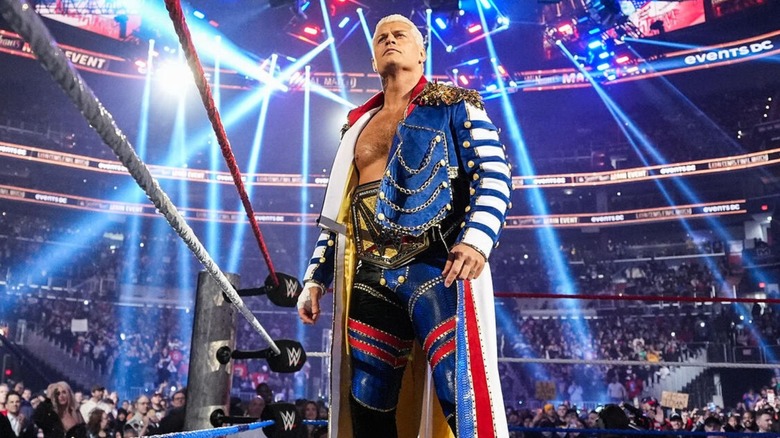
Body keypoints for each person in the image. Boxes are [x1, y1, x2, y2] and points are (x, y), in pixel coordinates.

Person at [297, 12, 511, 438]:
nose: (390, 40)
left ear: (421, 51)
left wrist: (475, 241)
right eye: (381, 37)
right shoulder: (355, 126)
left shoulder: (455, 104)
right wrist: (314, 279)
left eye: (401, 35)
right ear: (374, 59)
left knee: (461, 393)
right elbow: (339, 215)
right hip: (370, 275)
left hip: (435, 266)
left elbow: (495, 173)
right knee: (367, 401)